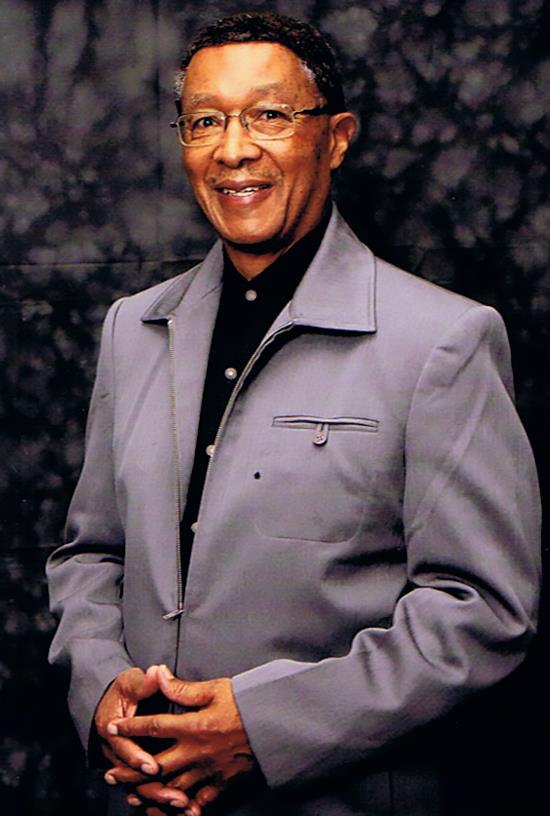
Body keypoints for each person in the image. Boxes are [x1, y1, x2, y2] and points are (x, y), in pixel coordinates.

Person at [47, 11, 541, 816]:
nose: (233, 150)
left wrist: (265, 727)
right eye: (205, 121)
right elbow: (90, 554)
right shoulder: (133, 329)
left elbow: (482, 611)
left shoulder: (442, 342)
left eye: (270, 116)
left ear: (336, 138)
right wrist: (101, 689)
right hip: (142, 799)